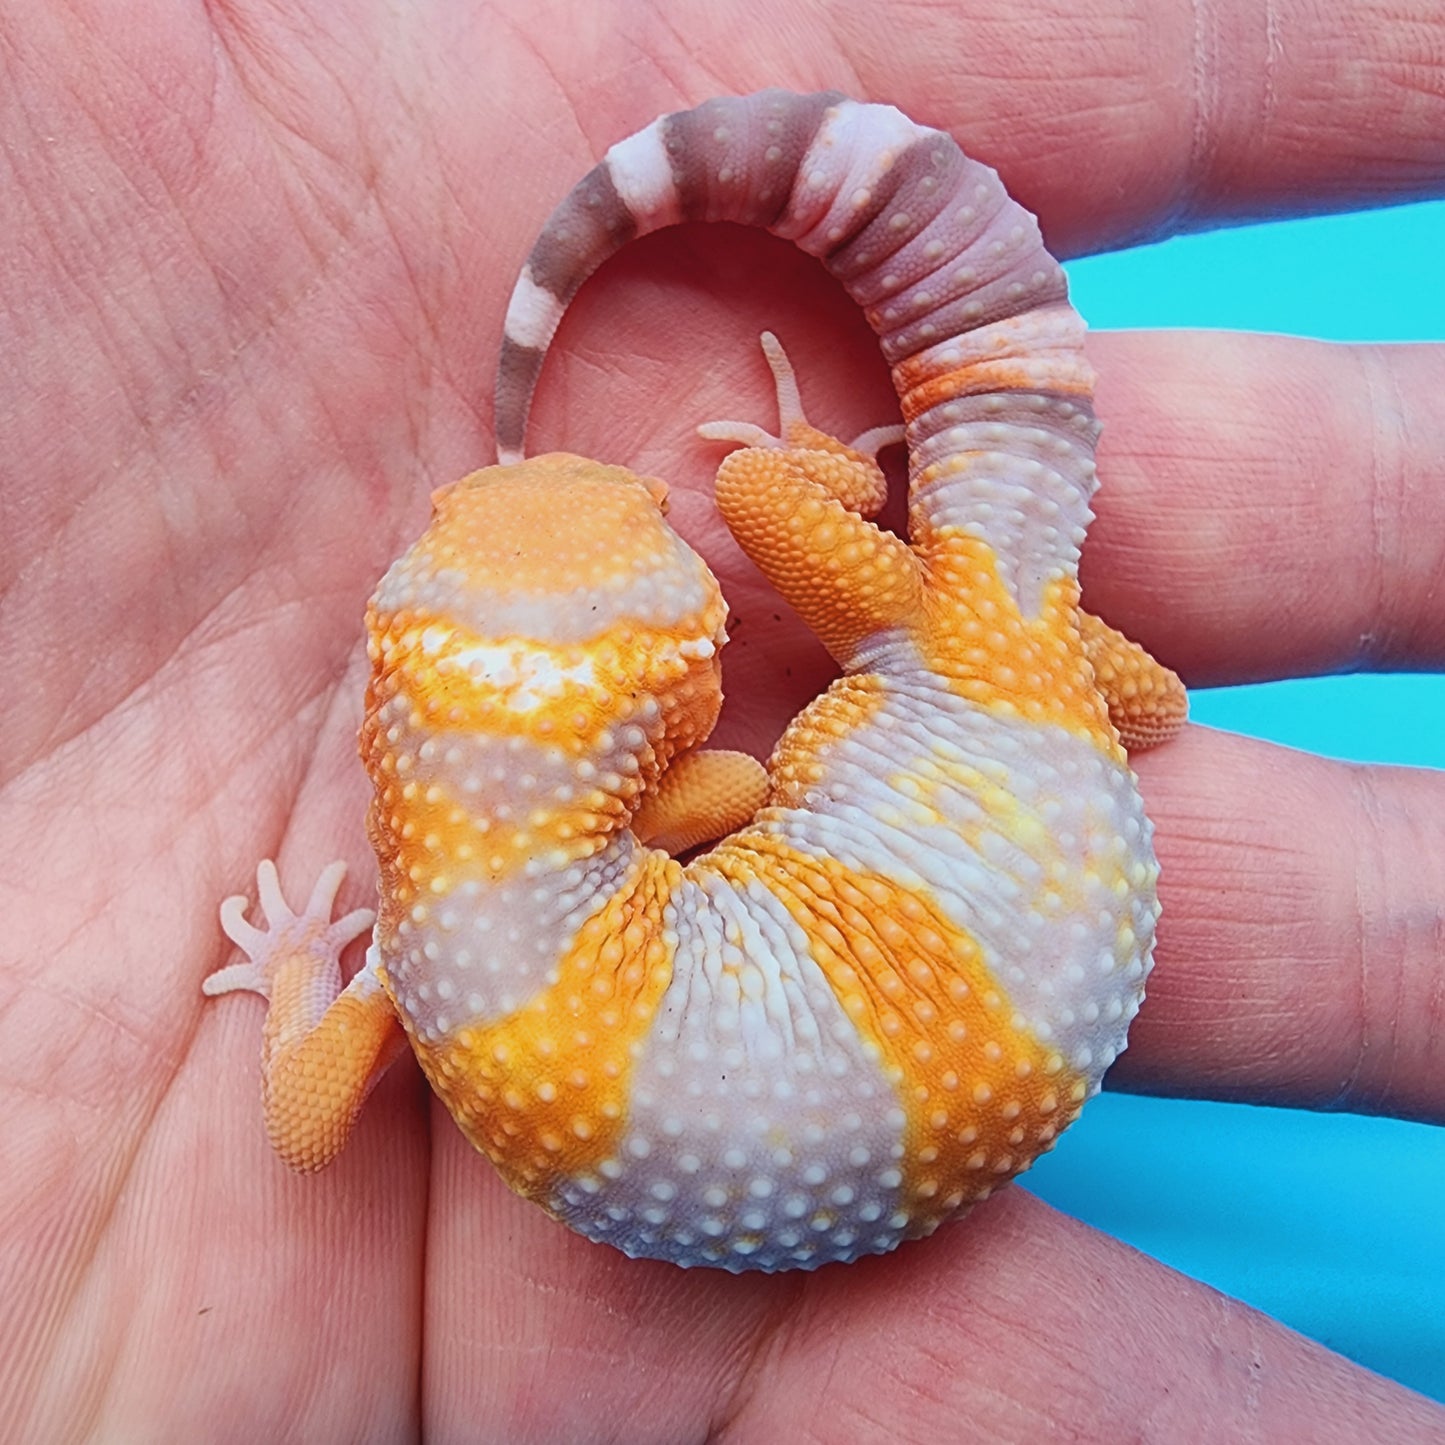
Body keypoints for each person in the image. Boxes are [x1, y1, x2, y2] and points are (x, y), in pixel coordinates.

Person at [3, 3, 1442, 1439]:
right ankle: (851, 507)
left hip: (1033, 784)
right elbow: (728, 789)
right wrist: (312, 971)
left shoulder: (426, 961)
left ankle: (1034, 647)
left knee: (1058, 677)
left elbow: (310, 1125)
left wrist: (298, 958)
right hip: (1002, 760)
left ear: (399, 688)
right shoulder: (433, 963)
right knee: (784, 502)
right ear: (658, 715)